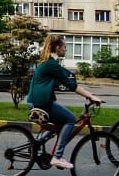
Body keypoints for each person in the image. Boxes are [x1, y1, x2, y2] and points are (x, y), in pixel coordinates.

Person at [27, 34, 100, 169]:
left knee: (60, 122)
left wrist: (86, 90)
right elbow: (71, 85)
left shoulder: (48, 62)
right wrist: (90, 96)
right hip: (41, 104)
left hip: (36, 101)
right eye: (65, 47)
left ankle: (39, 141)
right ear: (58, 47)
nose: (66, 49)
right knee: (70, 119)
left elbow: (66, 75)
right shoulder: (52, 64)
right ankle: (57, 157)